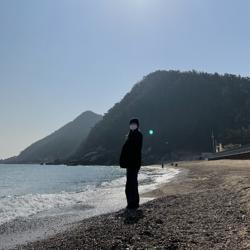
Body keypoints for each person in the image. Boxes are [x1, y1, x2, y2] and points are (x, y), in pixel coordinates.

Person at [119, 118, 143, 210]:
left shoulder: (138, 135)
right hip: (130, 164)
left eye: (134, 124)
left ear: (137, 125)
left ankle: (133, 203)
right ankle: (131, 203)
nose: (132, 125)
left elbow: (135, 149)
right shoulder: (129, 135)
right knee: (130, 183)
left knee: (131, 183)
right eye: (131, 124)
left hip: (134, 163)